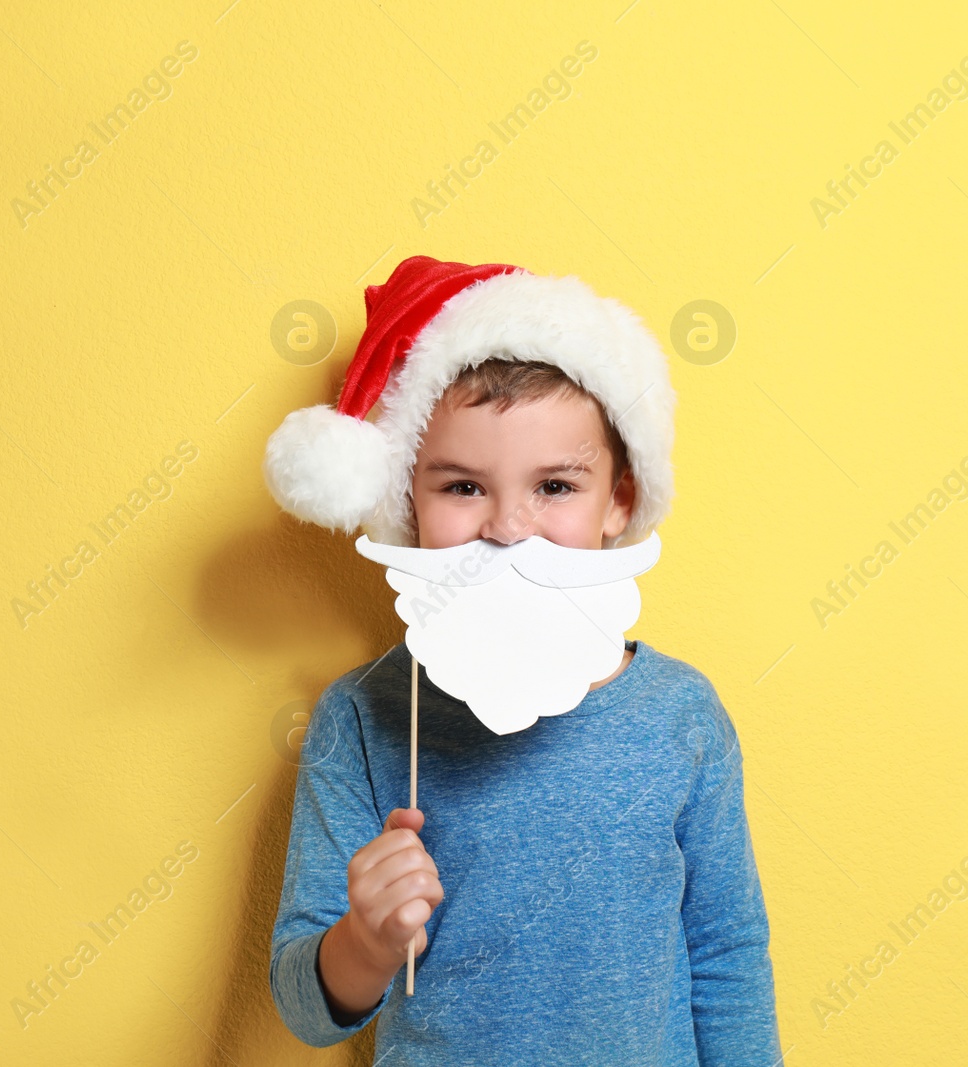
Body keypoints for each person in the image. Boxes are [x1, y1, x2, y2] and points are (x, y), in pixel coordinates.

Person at [261, 255, 783, 1065]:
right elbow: (303, 1004)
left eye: (555, 486)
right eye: (463, 487)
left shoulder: (682, 716)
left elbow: (726, 953)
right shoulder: (361, 717)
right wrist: (365, 941)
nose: (508, 526)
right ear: (407, 501)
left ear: (620, 498)